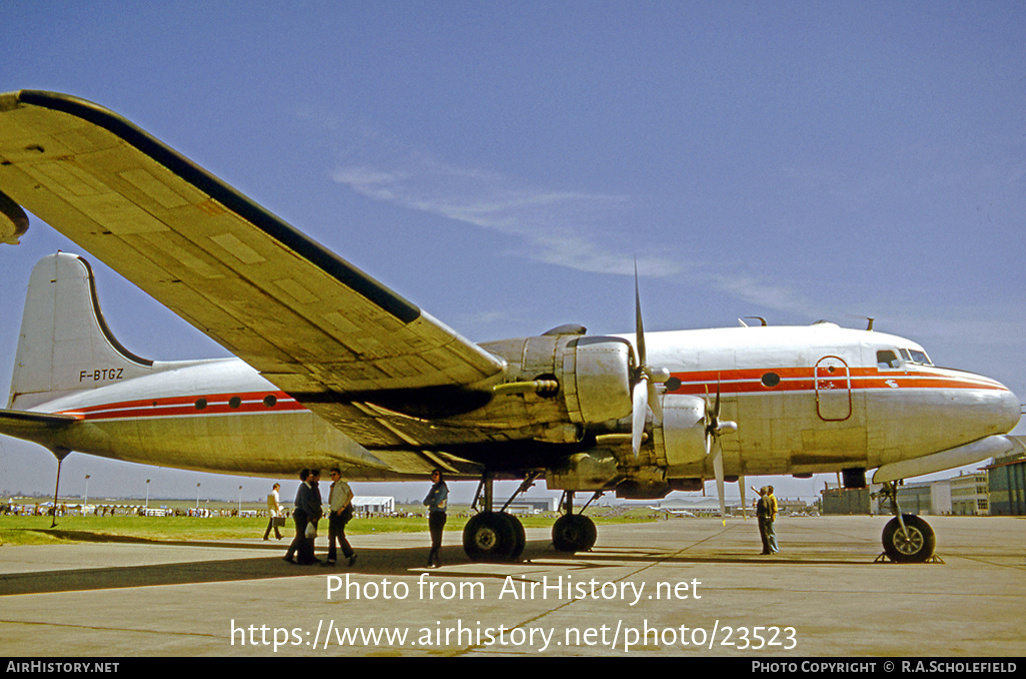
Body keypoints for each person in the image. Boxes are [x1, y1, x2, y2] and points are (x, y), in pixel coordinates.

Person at [284, 469, 323, 564]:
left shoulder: (309, 487)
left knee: (307, 536)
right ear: (306, 477)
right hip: (301, 513)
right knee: (300, 536)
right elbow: (305, 503)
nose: (312, 477)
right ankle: (290, 555)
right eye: (310, 475)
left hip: (305, 512)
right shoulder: (304, 487)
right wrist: (311, 515)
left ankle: (308, 557)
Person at [325, 468, 357, 567]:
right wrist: (331, 490)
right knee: (331, 536)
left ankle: (350, 554)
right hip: (333, 512)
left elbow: (351, 495)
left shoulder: (343, 485)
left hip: (340, 513)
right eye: (331, 475)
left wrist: (343, 507)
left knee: (339, 535)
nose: (332, 476)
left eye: (334, 474)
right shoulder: (333, 486)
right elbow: (330, 501)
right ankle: (331, 559)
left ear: (339, 475)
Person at [423, 469, 448, 568]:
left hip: (439, 515)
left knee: (437, 540)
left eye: (436, 474)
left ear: (440, 476)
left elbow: (436, 501)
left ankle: (433, 561)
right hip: (433, 514)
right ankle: (435, 561)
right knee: (435, 540)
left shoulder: (442, 487)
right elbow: (425, 501)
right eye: (433, 474)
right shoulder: (434, 488)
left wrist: (432, 501)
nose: (434, 476)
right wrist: (433, 501)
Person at [755, 486, 771, 554]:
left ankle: (767, 550)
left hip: (763, 518)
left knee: (764, 535)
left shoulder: (762, 499)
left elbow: (764, 506)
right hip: (768, 518)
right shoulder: (769, 499)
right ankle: (768, 549)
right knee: (767, 534)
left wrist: (759, 513)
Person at [764, 485, 779, 554]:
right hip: (769, 518)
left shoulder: (772, 498)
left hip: (771, 518)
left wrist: (771, 514)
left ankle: (775, 549)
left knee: (772, 534)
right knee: (769, 534)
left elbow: (775, 509)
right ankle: (772, 548)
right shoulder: (769, 497)